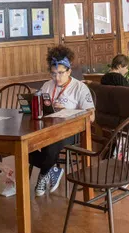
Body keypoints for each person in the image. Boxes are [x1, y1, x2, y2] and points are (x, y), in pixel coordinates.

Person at [30, 45, 95, 197]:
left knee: (51, 144)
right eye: (53, 74)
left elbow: (91, 116)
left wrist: (67, 110)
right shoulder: (47, 85)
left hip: (72, 131)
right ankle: (53, 170)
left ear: (69, 71)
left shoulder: (80, 88)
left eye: (60, 73)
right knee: (26, 146)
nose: (57, 78)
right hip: (48, 127)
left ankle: (43, 173)